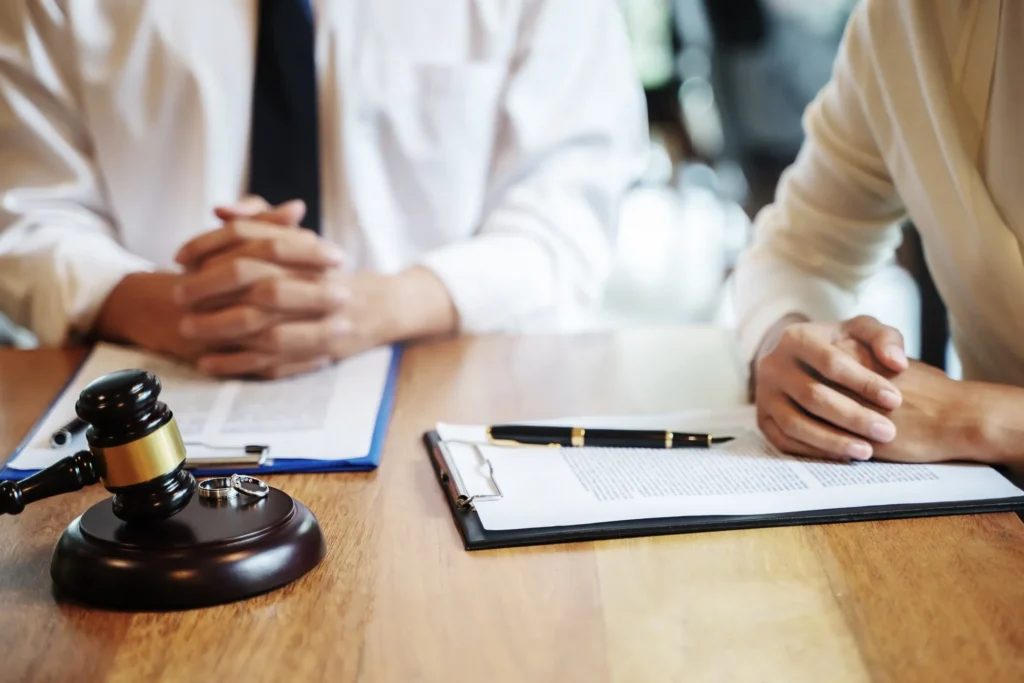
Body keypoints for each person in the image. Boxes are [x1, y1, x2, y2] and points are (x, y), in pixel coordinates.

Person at [0, 0, 648, 378]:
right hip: (152, 384)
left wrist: (384, 304)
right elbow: (26, 205)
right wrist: (169, 306)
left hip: (451, 380)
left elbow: (571, 199)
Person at [733, 0, 1024, 466]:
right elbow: (795, 251)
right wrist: (792, 346)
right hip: (992, 509)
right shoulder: (900, 20)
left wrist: (970, 416)